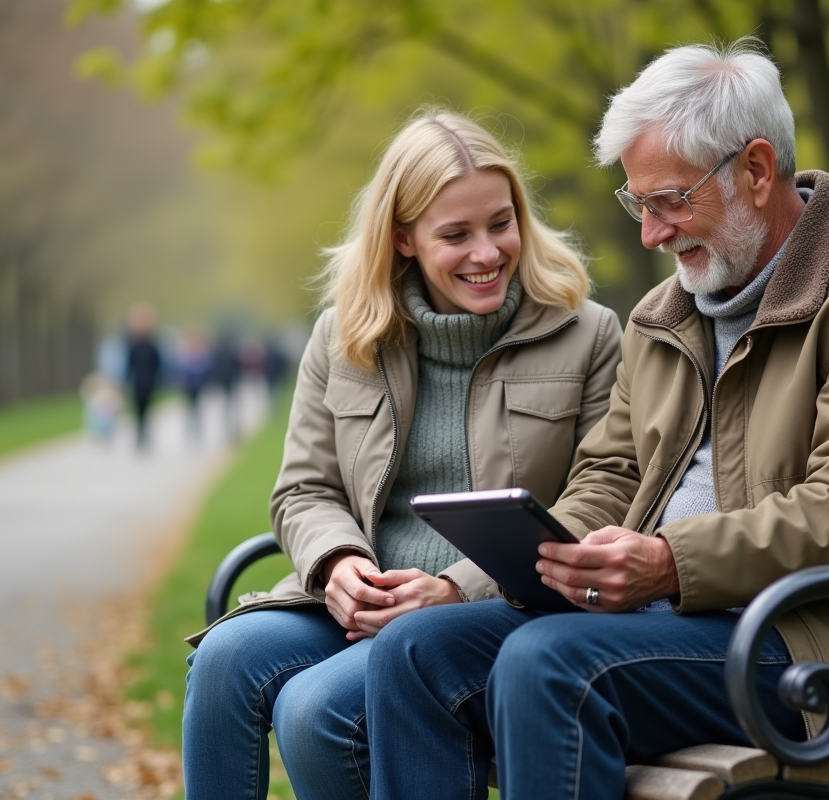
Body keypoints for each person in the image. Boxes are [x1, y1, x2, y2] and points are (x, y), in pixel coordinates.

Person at [364, 40, 829, 800]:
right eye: (640, 204)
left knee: (549, 663)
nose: (651, 234)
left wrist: (668, 561)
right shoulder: (666, 315)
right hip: (666, 627)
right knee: (417, 651)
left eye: (669, 201)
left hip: (819, 650)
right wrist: (556, 549)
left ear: (757, 171)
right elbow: (612, 471)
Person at [180, 110, 623, 800]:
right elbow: (304, 490)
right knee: (223, 658)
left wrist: (456, 588)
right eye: (456, 234)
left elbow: (601, 493)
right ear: (403, 238)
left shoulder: (588, 334)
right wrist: (338, 565)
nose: (487, 252)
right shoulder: (345, 337)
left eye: (501, 223)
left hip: (495, 613)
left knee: (314, 710)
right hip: (363, 603)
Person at [124, 302, 162, 450]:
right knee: (142, 411)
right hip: (142, 382)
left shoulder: (150, 344)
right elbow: (129, 365)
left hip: (144, 382)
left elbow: (156, 365)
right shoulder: (137, 344)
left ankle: (143, 436)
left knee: (143, 411)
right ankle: (142, 436)